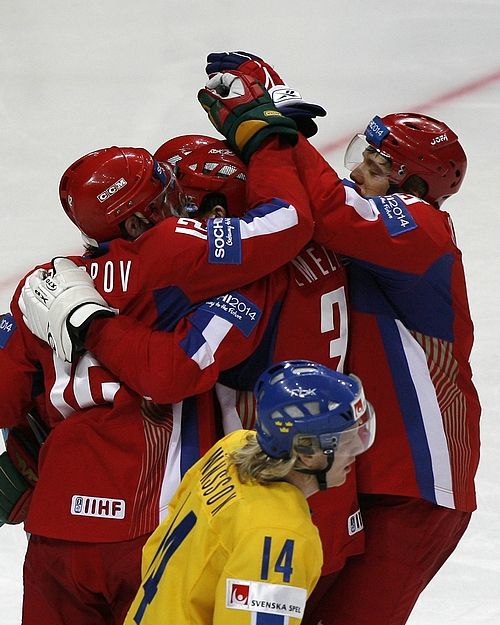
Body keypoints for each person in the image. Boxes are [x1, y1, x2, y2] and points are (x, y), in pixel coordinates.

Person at [198, 55, 481, 625]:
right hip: (360, 472)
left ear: (414, 185)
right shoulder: (380, 236)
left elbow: (327, 208)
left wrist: (268, 123)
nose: (357, 174)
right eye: (362, 158)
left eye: (376, 168)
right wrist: (270, 110)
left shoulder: (421, 227)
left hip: (418, 487)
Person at [20, 132, 362, 583]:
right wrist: (270, 134)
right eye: (167, 198)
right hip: (251, 497)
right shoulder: (196, 256)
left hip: (63, 518)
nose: (179, 210)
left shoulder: (46, 281)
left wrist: (90, 322)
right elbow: (290, 218)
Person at [123, 359, 376, 625]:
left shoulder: (230, 448)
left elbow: (159, 540)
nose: (356, 449)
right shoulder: (280, 534)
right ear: (306, 452)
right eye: (346, 439)